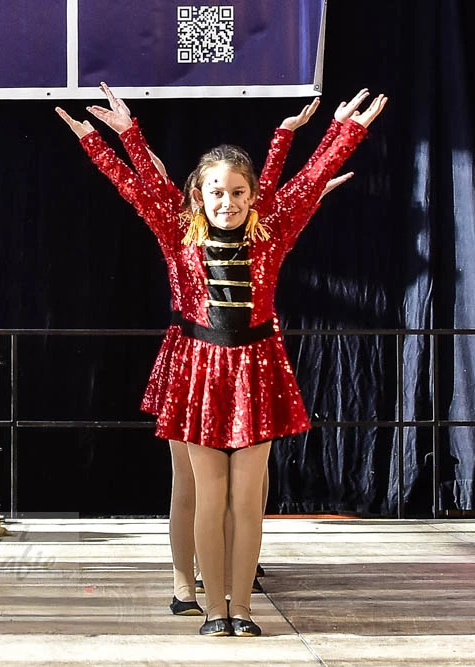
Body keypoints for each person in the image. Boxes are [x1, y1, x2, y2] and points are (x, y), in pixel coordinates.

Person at [57, 85, 386, 636]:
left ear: (253, 196)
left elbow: (311, 177)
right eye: (216, 192)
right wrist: (115, 137)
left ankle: (243, 608)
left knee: (248, 500)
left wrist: (345, 129)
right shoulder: (178, 232)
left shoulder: (271, 230)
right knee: (205, 495)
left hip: (256, 369)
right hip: (200, 371)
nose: (227, 202)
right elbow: (138, 188)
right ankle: (210, 606)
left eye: (238, 192)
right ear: (198, 194)